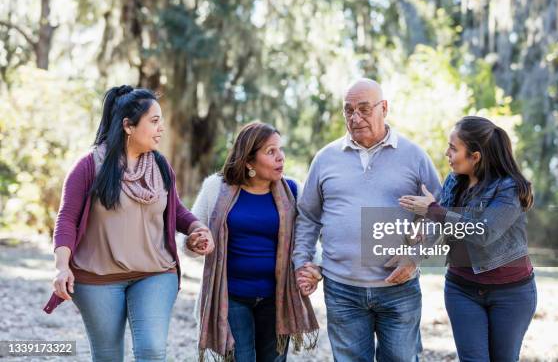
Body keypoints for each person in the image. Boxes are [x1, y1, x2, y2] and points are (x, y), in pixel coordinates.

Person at [43, 85, 215, 362]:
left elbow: (176, 210)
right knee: (108, 356)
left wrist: (196, 228)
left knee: (151, 350)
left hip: (155, 274)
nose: (161, 128)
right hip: (98, 279)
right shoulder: (89, 166)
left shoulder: (160, 165)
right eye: (154, 121)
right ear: (128, 126)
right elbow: (67, 219)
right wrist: (62, 267)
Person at [293, 78, 441, 361]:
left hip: (399, 288)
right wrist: (303, 262)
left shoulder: (414, 156)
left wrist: (415, 256)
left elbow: (439, 213)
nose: (355, 118)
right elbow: (308, 217)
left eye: (363, 109)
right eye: (348, 110)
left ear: (383, 108)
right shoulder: (325, 158)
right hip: (342, 289)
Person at [400, 116, 537, 361]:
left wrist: (434, 210)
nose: (446, 153)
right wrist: (414, 251)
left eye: (453, 148)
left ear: (476, 156)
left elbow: (484, 232)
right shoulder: (454, 180)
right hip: (462, 289)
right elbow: (439, 224)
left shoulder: (509, 188)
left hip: (511, 293)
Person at [181, 122, 318, 361]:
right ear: (249, 162)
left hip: (277, 298)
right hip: (231, 296)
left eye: (280, 149)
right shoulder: (217, 188)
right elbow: (191, 235)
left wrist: (314, 267)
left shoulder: (293, 191)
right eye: (270, 151)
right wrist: (193, 242)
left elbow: (307, 237)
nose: (280, 157)